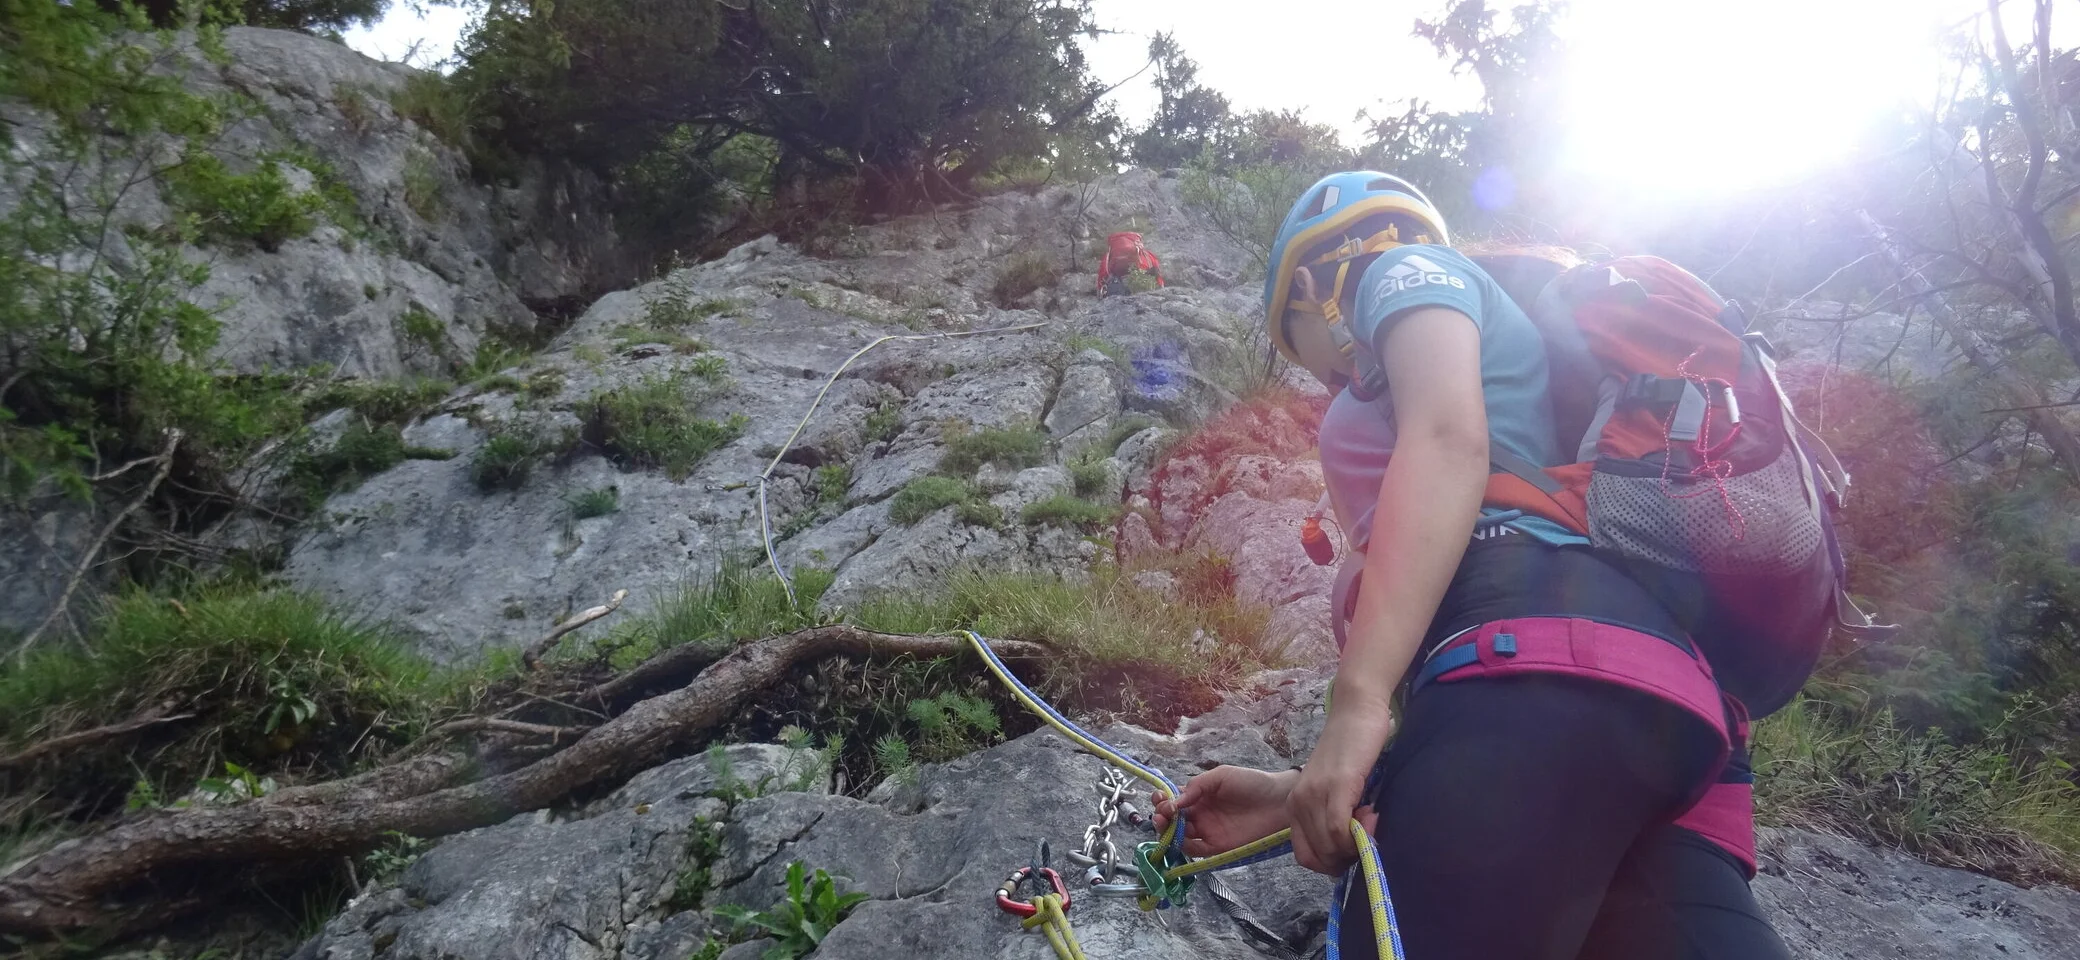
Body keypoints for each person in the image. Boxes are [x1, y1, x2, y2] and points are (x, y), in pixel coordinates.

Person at [1153, 172, 1790, 960]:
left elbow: (1449, 439)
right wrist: (1296, 799)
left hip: (1528, 673)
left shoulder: (1401, 269)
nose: (1331, 384)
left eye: (1303, 351)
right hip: (1670, 722)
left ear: (1309, 287)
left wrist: (1357, 702)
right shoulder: (1515, 343)